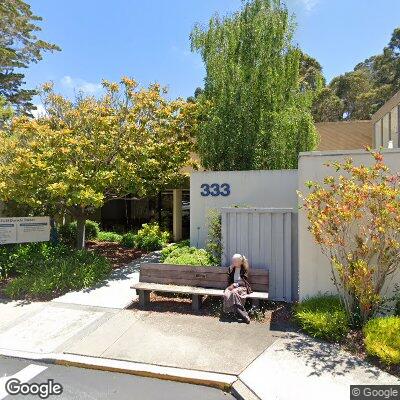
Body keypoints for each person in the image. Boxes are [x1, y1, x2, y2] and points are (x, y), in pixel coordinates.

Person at [223, 253, 252, 324]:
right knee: (227, 294)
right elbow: (229, 280)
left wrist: (236, 284)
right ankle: (241, 315)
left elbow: (244, 281)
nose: (233, 262)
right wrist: (230, 269)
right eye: (233, 261)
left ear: (240, 261)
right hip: (232, 286)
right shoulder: (231, 268)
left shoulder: (245, 269)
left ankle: (242, 315)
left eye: (235, 261)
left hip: (242, 287)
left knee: (234, 293)